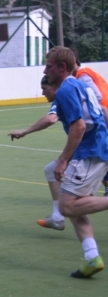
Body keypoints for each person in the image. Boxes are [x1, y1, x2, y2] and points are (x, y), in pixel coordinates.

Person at [43, 46, 108, 278]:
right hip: (97, 149)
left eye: (49, 66)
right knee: (77, 204)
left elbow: (79, 127)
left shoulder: (66, 89)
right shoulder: (80, 85)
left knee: (66, 207)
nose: (45, 70)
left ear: (62, 67)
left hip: (89, 152)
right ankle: (91, 257)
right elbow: (101, 111)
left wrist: (63, 160)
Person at [8, 76, 64, 230]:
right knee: (52, 171)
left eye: (45, 89)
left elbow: (51, 119)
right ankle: (58, 217)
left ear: (55, 87)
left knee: (74, 203)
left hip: (89, 147)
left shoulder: (62, 96)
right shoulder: (71, 92)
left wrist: (25, 131)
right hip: (86, 145)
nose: (42, 93)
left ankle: (59, 217)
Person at [71, 48, 108, 195]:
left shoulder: (82, 75)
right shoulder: (86, 72)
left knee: (98, 152)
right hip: (103, 114)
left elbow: (96, 96)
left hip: (103, 116)